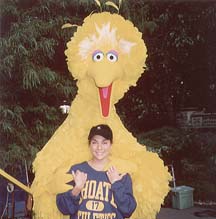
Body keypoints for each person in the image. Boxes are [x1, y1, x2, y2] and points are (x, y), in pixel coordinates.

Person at [56, 124, 137, 219]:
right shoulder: (77, 171)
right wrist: (76, 190)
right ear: (89, 144)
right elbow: (63, 209)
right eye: (94, 142)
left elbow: (128, 210)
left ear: (111, 144)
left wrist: (116, 184)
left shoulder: (121, 173)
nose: (99, 147)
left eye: (104, 143)